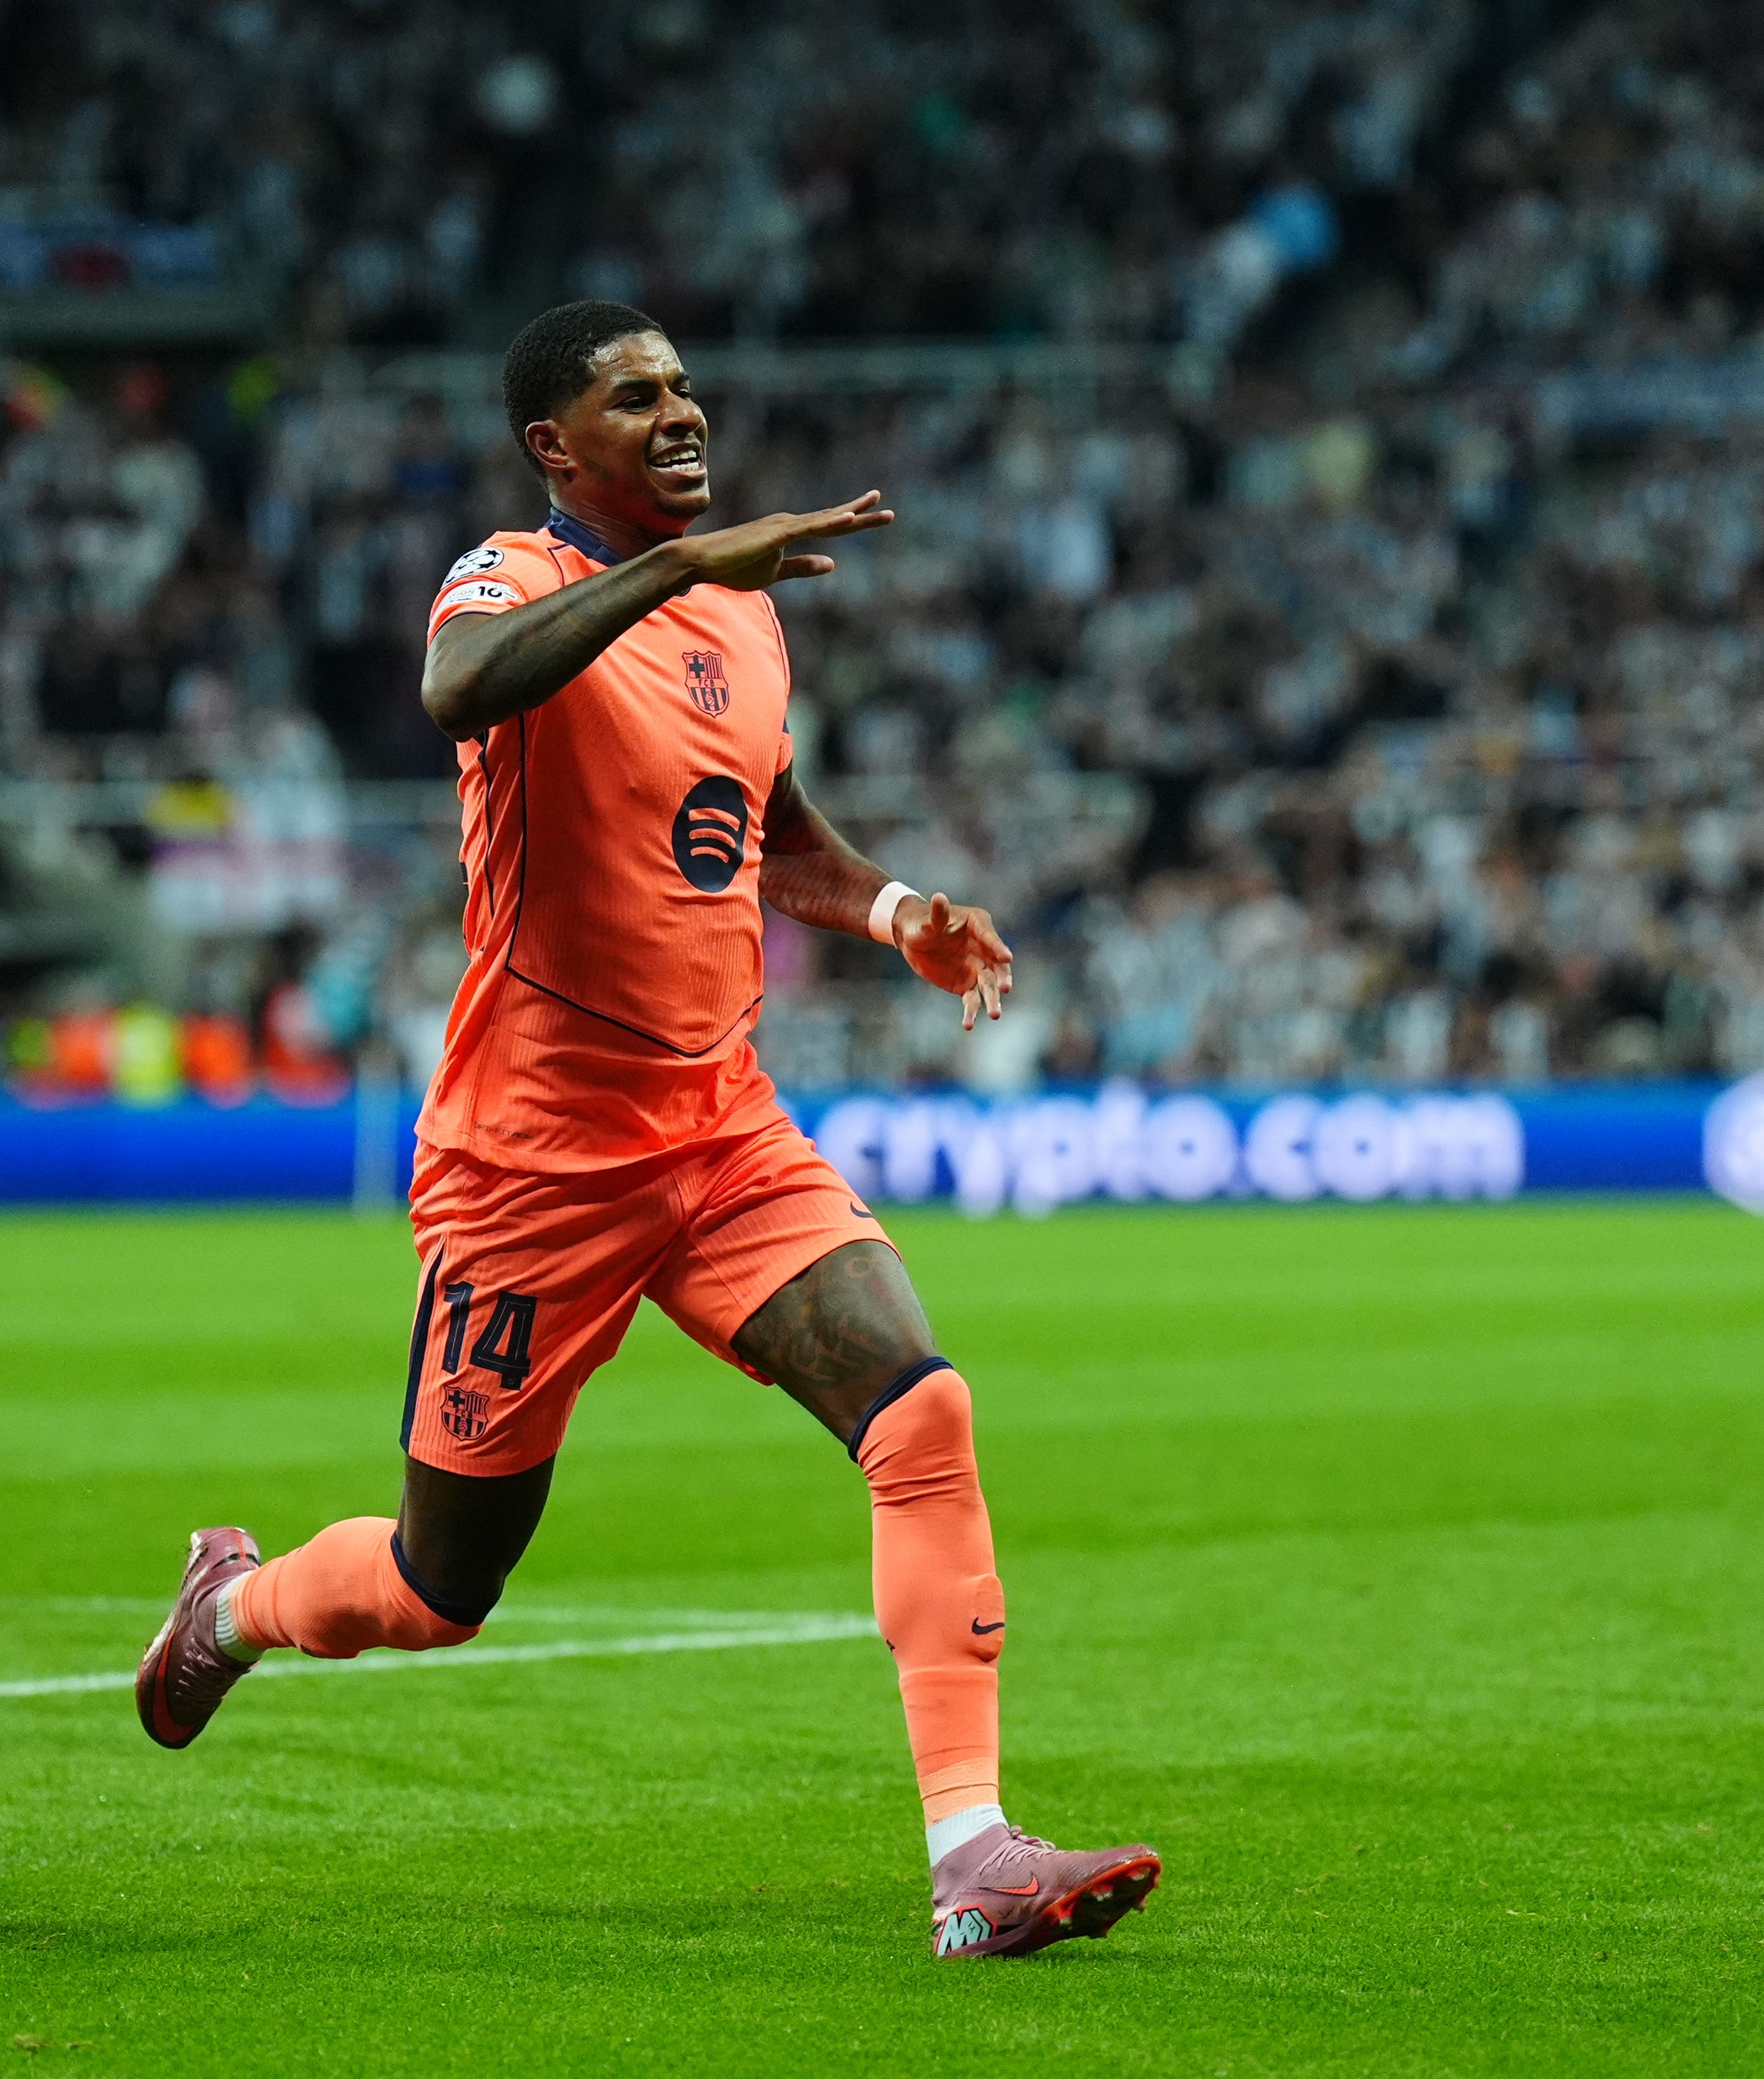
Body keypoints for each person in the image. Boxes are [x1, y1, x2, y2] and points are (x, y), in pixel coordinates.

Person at [137, 301, 1160, 1960]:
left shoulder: (742, 622)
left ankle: (970, 1857)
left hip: (716, 1127)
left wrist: (891, 904)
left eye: (684, 387)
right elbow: (461, 689)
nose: (680, 413)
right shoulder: (508, 579)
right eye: (634, 397)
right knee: (437, 1588)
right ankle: (237, 1605)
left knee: (920, 1408)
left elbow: (760, 830)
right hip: (528, 1164)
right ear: (556, 447)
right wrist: (678, 572)